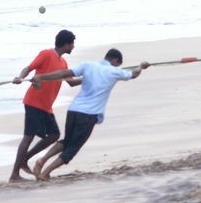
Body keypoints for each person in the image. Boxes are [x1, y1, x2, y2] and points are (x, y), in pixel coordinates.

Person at [27, 47, 149, 180]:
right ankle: (46, 173)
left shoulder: (87, 65)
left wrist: (41, 77)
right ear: (115, 60)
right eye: (118, 64)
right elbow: (134, 74)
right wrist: (141, 66)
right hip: (88, 114)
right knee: (73, 148)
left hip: (73, 109)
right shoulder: (115, 71)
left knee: (67, 141)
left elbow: (64, 73)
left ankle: (42, 160)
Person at [8, 28, 76, 183]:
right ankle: (14, 175)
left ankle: (25, 158)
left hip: (46, 106)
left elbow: (72, 82)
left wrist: (95, 76)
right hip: (33, 102)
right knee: (28, 137)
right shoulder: (46, 54)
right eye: (72, 44)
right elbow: (29, 68)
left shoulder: (63, 62)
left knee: (54, 135)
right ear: (65, 44)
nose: (73, 47)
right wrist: (20, 77)